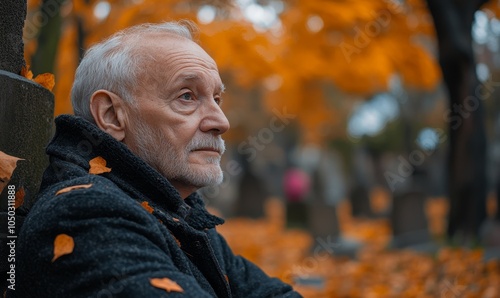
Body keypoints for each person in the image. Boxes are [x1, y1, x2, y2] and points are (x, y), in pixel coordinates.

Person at [14, 21, 302, 298]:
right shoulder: (84, 213)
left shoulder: (179, 212)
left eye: (217, 99)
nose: (221, 121)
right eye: (187, 96)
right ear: (112, 116)